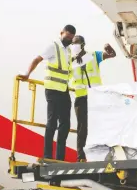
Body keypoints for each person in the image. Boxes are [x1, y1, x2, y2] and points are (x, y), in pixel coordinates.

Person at [19, 25, 76, 161]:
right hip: (52, 90)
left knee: (65, 124)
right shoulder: (53, 46)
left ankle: (60, 157)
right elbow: (37, 59)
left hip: (63, 90)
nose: (69, 39)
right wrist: (27, 73)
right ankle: (48, 155)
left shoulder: (68, 50)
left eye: (71, 38)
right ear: (61, 33)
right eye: (67, 36)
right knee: (52, 123)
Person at [70, 35, 116, 162]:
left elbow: (112, 54)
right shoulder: (70, 61)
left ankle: (102, 154)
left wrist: (109, 48)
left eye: (76, 43)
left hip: (95, 97)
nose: (74, 46)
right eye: (72, 44)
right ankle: (81, 156)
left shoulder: (93, 56)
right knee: (82, 127)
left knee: (99, 124)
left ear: (83, 44)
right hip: (80, 98)